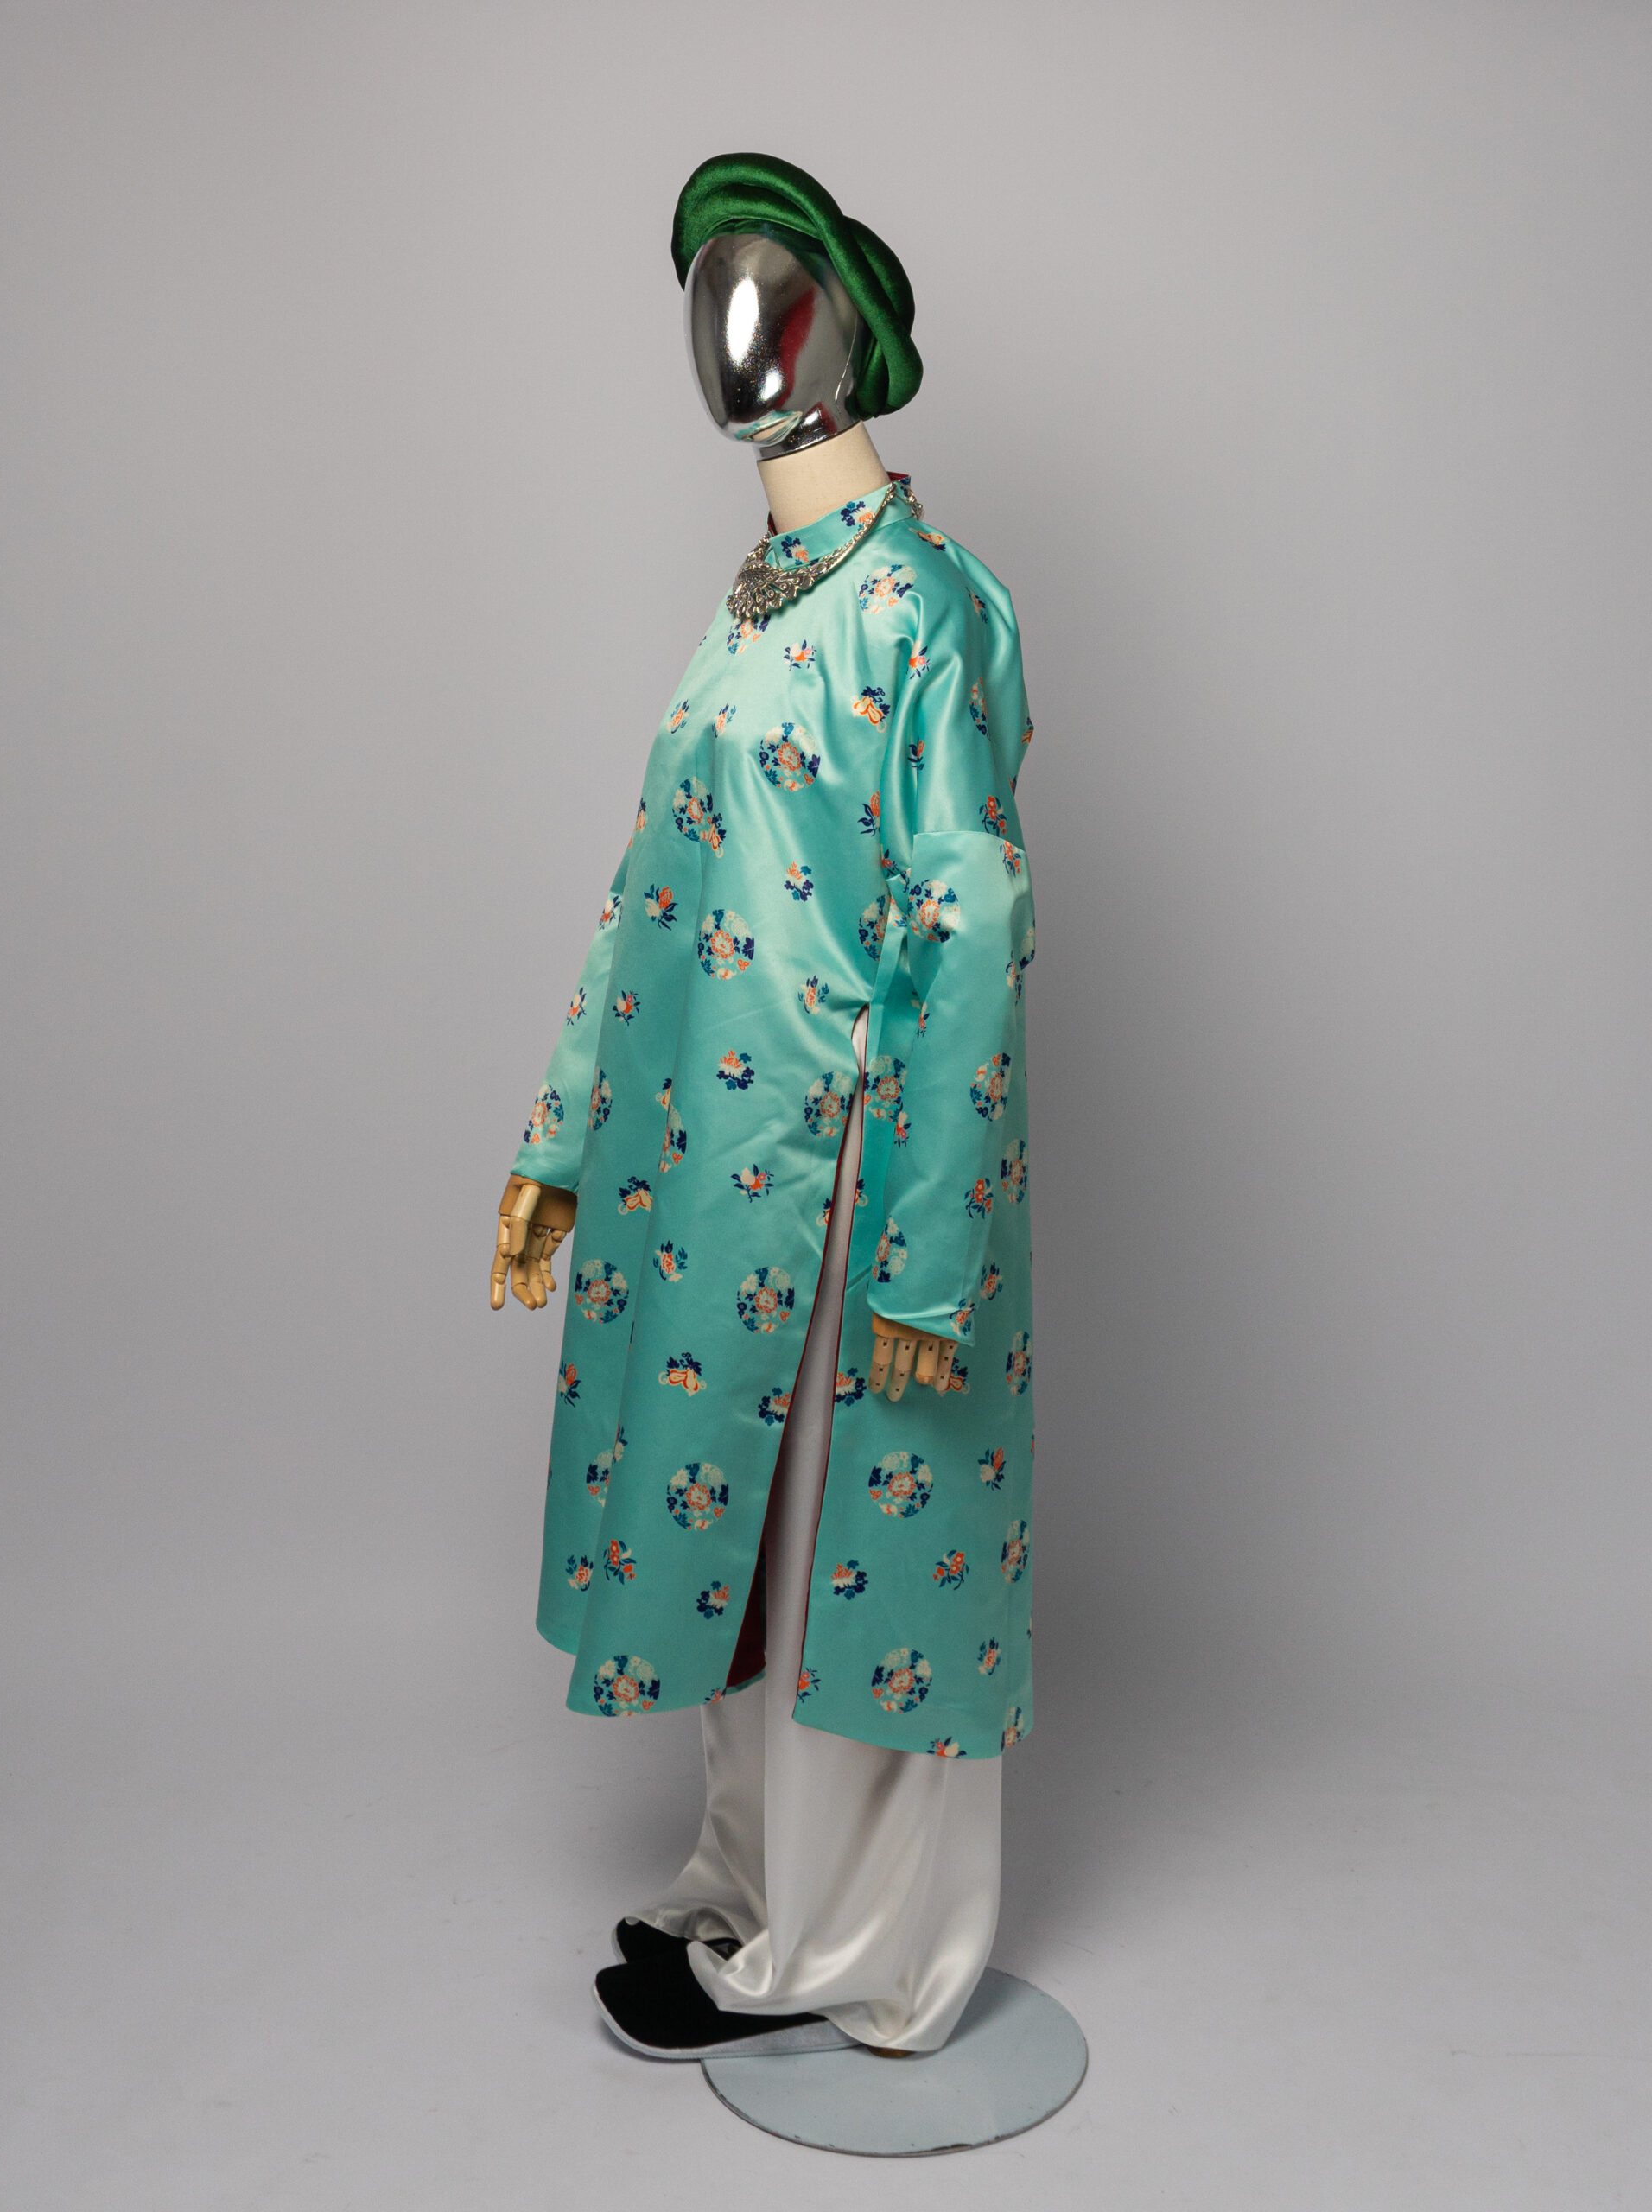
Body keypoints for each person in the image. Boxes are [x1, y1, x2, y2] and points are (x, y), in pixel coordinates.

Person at [490, 153, 1038, 2060]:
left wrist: (932, 1242)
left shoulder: (924, 607)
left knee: (835, 1561)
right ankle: (747, 1882)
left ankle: (845, 1943)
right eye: (702, 297)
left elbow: (972, 921)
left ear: (844, 332)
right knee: (736, 1541)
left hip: (852, 1159)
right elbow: (655, 882)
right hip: (706, 1168)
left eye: (768, 295)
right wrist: (565, 1135)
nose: (727, 335)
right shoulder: (749, 609)